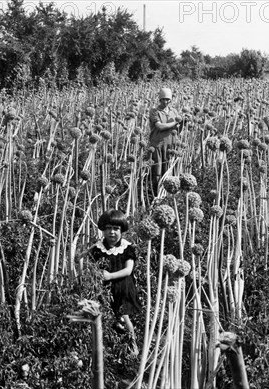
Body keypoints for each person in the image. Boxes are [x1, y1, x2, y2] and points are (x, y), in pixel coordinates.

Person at [89, 209, 141, 356]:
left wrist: (110, 276)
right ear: (103, 230)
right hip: (106, 291)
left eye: (116, 229)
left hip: (123, 288)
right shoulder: (98, 248)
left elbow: (128, 270)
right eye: (108, 229)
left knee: (125, 317)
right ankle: (109, 347)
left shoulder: (127, 248)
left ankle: (133, 346)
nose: (112, 232)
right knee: (107, 318)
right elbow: (91, 266)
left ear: (122, 230)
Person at [149, 87, 181, 195]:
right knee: (157, 171)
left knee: (169, 170)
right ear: (160, 100)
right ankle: (156, 194)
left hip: (170, 145)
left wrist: (182, 124)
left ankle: (167, 194)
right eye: (164, 99)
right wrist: (174, 124)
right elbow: (160, 126)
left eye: (168, 99)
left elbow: (177, 129)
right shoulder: (155, 111)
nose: (166, 102)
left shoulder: (174, 111)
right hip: (158, 144)